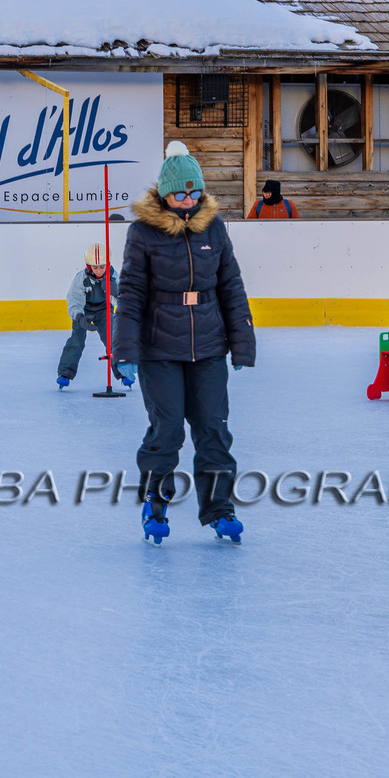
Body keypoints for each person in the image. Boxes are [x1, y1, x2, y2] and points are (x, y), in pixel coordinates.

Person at [114, 142, 255, 546]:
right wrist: (125, 351)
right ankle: (155, 503)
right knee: (168, 430)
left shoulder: (214, 227)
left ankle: (220, 508)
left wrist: (242, 342)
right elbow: (131, 293)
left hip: (208, 346)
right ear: (164, 194)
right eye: (179, 194)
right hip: (159, 349)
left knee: (213, 429)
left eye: (194, 193)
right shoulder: (143, 232)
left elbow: (231, 286)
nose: (188, 201)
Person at [56, 242, 118, 390]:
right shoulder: (81, 278)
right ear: (89, 266)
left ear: (108, 264)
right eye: (95, 267)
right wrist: (79, 317)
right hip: (84, 311)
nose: (99, 270)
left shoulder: (114, 277)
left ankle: (123, 371)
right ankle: (65, 373)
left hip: (104, 310)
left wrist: (116, 292)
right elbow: (74, 300)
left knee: (113, 339)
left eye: (102, 267)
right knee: (76, 341)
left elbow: (125, 301)